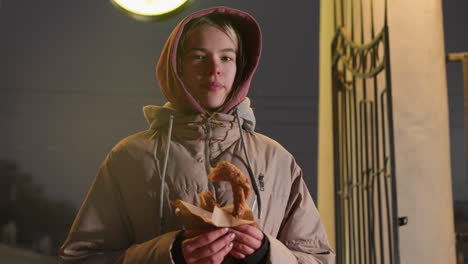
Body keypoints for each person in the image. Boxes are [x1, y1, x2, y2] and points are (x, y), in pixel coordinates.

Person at [59, 6, 334, 264]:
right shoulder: (130, 156)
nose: (214, 68)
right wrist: (171, 254)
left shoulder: (276, 159)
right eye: (199, 56)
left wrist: (265, 253)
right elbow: (81, 257)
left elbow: (318, 258)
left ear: (240, 68)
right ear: (177, 67)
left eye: (226, 57)